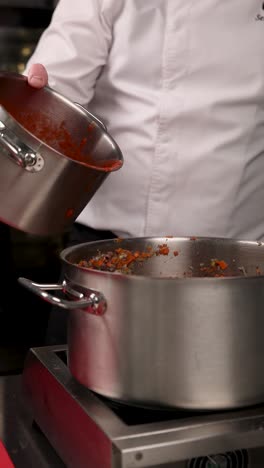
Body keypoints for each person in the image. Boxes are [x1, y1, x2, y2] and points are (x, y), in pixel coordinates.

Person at [24, 0, 264, 343]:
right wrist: (39, 100)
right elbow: (56, 91)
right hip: (108, 260)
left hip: (243, 267)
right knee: (75, 387)